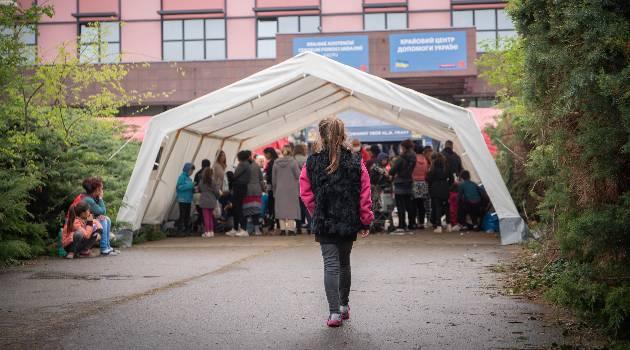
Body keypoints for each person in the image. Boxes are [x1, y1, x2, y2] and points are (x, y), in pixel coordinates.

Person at [300, 118, 374, 328]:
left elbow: (305, 193)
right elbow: (365, 193)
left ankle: (334, 314)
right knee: (344, 263)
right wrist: (365, 219)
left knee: (330, 265)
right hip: (348, 219)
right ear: (344, 135)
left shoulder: (311, 162)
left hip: (324, 221)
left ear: (320, 136)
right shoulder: (355, 160)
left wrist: (318, 212)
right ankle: (343, 306)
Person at [81, 177, 118, 256]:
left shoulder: (90, 197)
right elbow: (102, 211)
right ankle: (104, 249)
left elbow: (98, 213)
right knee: (103, 220)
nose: (102, 190)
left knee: (106, 219)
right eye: (101, 188)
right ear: (97, 190)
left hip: (86, 221)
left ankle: (107, 246)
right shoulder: (88, 199)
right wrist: (101, 198)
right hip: (80, 225)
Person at [389, 139, 417, 233]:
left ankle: (402, 224)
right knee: (409, 205)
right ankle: (412, 224)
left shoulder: (401, 158)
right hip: (409, 182)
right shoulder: (414, 157)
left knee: (400, 205)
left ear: (404, 147)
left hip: (400, 183)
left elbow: (392, 171)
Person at [273, 145, 301, 235]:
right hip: (292, 189)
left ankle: (282, 229)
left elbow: (273, 179)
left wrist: (274, 189)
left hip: (279, 189)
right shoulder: (293, 162)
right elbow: (298, 176)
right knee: (291, 209)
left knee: (280, 208)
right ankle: (291, 229)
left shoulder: (276, 163)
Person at [227, 151, 251, 237]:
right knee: (238, 207)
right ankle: (239, 228)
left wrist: (230, 175)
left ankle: (243, 229)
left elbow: (235, 175)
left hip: (239, 187)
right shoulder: (247, 164)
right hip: (243, 187)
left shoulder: (242, 164)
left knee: (238, 207)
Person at [426, 153, 452, 233]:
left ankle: (439, 226)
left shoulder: (433, 168)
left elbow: (428, 179)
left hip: (436, 188)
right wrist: (448, 185)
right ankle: (449, 225)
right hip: (445, 188)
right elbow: (452, 179)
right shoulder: (446, 167)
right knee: (447, 207)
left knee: (437, 207)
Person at [244, 150, 264, 235]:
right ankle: (256, 230)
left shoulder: (243, 166)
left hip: (247, 190)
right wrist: (263, 188)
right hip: (256, 190)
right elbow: (261, 179)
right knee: (255, 210)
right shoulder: (256, 165)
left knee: (248, 210)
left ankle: (248, 229)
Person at [412, 145, 431, 230]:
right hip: (423, 183)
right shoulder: (426, 160)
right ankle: (422, 223)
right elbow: (427, 171)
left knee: (415, 203)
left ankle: (416, 222)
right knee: (422, 204)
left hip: (414, 183)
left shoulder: (413, 159)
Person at [199, 166, 220, 238]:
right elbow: (217, 191)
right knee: (211, 217)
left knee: (206, 217)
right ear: (211, 174)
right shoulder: (213, 181)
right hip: (212, 200)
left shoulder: (201, 181)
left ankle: (207, 231)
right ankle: (211, 231)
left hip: (204, 200)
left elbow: (200, 189)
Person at [294, 144, 310, 233]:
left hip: (295, 187)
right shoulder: (306, 159)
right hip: (306, 185)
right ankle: (310, 227)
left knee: (298, 208)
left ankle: (298, 227)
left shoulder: (293, 159)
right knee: (307, 207)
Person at [192, 159, 211, 233]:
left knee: (200, 211)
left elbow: (195, 185)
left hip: (197, 196)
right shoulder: (208, 174)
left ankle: (198, 226)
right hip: (205, 196)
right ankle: (203, 227)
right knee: (205, 213)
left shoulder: (197, 173)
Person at [176, 163, 195, 233]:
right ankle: (180, 229)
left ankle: (186, 229)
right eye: (191, 170)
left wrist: (194, 189)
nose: (192, 172)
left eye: (192, 171)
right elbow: (179, 187)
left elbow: (189, 188)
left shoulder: (189, 179)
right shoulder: (181, 177)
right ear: (187, 169)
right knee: (182, 215)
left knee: (187, 215)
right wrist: (190, 186)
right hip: (182, 199)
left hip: (188, 200)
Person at [263, 147, 279, 231]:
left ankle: (272, 224)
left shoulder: (272, 163)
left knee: (272, 206)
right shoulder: (276, 161)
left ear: (269, 153)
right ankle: (277, 224)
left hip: (272, 187)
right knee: (275, 206)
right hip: (276, 187)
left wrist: (267, 177)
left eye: (265, 154)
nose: (265, 156)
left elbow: (272, 176)